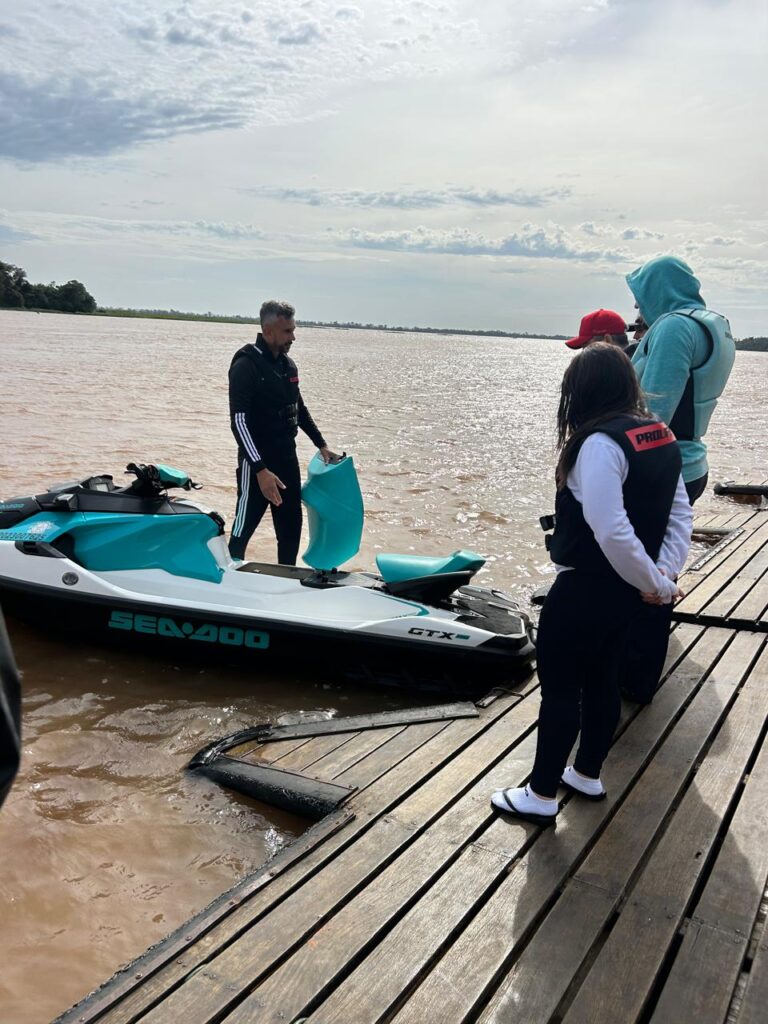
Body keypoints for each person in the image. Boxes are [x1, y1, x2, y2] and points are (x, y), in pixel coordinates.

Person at [491, 343, 692, 826]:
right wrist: (662, 576)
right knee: (603, 678)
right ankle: (586, 773)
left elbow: (610, 529)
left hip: (585, 589)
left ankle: (540, 794)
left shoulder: (599, 444)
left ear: (579, 393)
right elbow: (679, 514)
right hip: (629, 594)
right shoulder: (659, 435)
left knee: (560, 689)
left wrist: (658, 583)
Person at [228, 300, 338, 564]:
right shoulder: (246, 365)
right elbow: (239, 423)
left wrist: (321, 445)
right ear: (268, 331)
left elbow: (298, 408)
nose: (293, 337)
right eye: (287, 331)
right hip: (256, 466)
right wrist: (260, 470)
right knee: (242, 531)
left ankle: (286, 581)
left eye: (293, 330)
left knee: (290, 533)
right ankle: (227, 575)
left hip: (287, 461)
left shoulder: (288, 366)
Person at [627, 255, 735, 505]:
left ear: (658, 291)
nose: (639, 307)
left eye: (640, 300)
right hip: (692, 464)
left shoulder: (674, 327)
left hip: (662, 473)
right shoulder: (712, 325)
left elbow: (654, 411)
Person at [564, 309, 630, 352]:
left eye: (586, 347)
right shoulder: (633, 364)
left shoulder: (616, 369)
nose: (583, 353)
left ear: (607, 340)